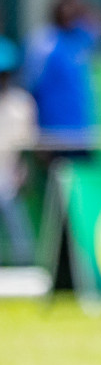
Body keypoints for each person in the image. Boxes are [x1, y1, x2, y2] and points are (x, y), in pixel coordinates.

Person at [24, 0, 101, 160]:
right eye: (66, 8)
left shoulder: (80, 38)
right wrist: (35, 132)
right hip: (52, 134)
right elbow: (30, 87)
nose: (70, 13)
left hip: (81, 132)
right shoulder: (43, 42)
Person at [0, 38, 37, 266]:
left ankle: (24, 262)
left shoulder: (20, 104)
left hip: (10, 174)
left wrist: (22, 173)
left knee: (9, 201)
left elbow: (26, 147)